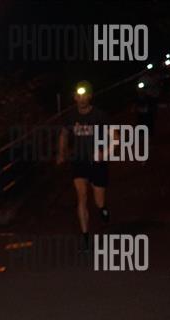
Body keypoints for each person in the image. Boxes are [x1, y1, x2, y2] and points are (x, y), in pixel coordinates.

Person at [57, 81, 111, 249]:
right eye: (78, 96)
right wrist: (61, 153)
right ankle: (85, 236)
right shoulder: (71, 116)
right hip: (79, 161)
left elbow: (116, 138)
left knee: (98, 201)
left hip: (97, 162)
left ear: (90, 96)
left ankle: (103, 209)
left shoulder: (99, 116)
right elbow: (64, 135)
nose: (81, 99)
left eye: (84, 95)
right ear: (75, 97)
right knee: (82, 196)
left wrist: (104, 153)